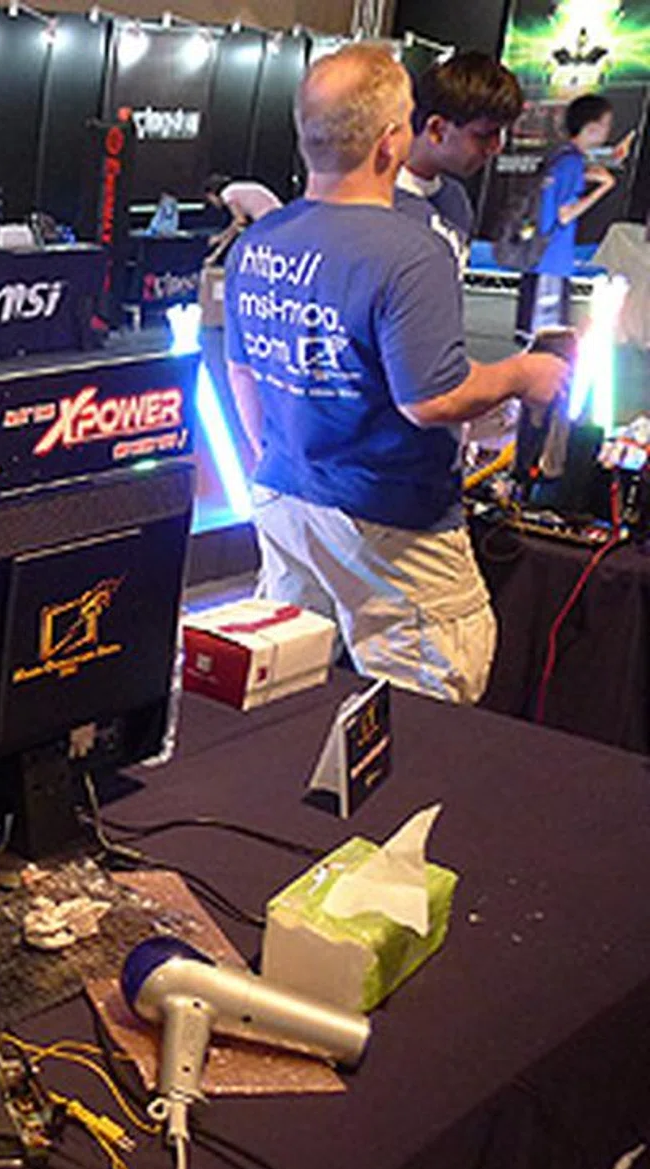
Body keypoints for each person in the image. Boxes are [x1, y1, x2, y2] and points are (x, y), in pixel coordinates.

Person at [224, 45, 568, 704]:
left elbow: (242, 371)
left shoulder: (260, 241)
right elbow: (433, 398)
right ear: (390, 141)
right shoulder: (412, 252)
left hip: (286, 493)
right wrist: (524, 374)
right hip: (391, 511)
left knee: (289, 682)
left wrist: (274, 459)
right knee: (433, 691)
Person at [393, 52, 524, 272]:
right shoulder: (376, 201)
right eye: (483, 135)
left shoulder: (456, 200)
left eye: (499, 134)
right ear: (437, 129)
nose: (496, 147)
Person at [518, 92, 632, 343]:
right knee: (544, 341)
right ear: (591, 127)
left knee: (542, 340)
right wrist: (603, 188)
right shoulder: (570, 162)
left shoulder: (559, 156)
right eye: (605, 125)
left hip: (539, 258)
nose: (607, 131)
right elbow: (565, 214)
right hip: (551, 262)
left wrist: (595, 172)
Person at [202, 173, 281, 263]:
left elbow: (240, 221)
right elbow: (237, 223)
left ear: (212, 194)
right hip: (275, 215)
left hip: (270, 218)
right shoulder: (234, 190)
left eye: (210, 199)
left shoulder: (227, 194)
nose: (213, 204)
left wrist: (220, 240)